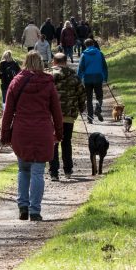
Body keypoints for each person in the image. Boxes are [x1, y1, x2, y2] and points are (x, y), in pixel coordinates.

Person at [1, 51, 63, 221]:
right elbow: (57, 112)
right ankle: (35, 210)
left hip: (21, 132)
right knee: (37, 172)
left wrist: (5, 134)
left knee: (23, 169)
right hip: (43, 131)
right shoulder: (48, 83)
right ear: (41, 64)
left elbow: (8, 112)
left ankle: (23, 205)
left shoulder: (16, 82)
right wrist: (58, 133)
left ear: (25, 62)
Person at [49, 52, 86, 181]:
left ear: (54, 62)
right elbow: (81, 93)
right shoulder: (73, 76)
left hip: (51, 116)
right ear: (65, 62)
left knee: (53, 142)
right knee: (66, 142)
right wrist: (81, 107)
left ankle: (53, 172)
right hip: (68, 114)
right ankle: (68, 170)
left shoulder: (47, 76)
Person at [77, 38, 108, 123]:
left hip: (87, 78)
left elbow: (81, 68)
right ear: (93, 44)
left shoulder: (84, 55)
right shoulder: (100, 53)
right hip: (98, 77)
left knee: (89, 98)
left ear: (85, 45)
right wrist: (105, 77)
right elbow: (104, 66)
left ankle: (90, 118)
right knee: (99, 96)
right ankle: (98, 108)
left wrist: (78, 78)